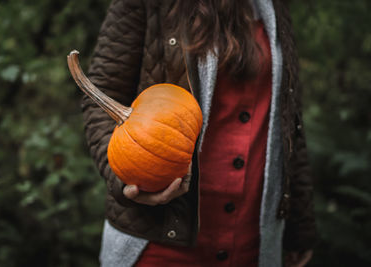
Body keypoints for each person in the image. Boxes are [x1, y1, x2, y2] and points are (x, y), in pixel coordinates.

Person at [81, 0, 317, 266]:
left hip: (253, 239)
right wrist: (126, 177)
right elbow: (101, 94)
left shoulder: (273, 7)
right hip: (161, 239)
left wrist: (299, 224)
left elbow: (289, 120)